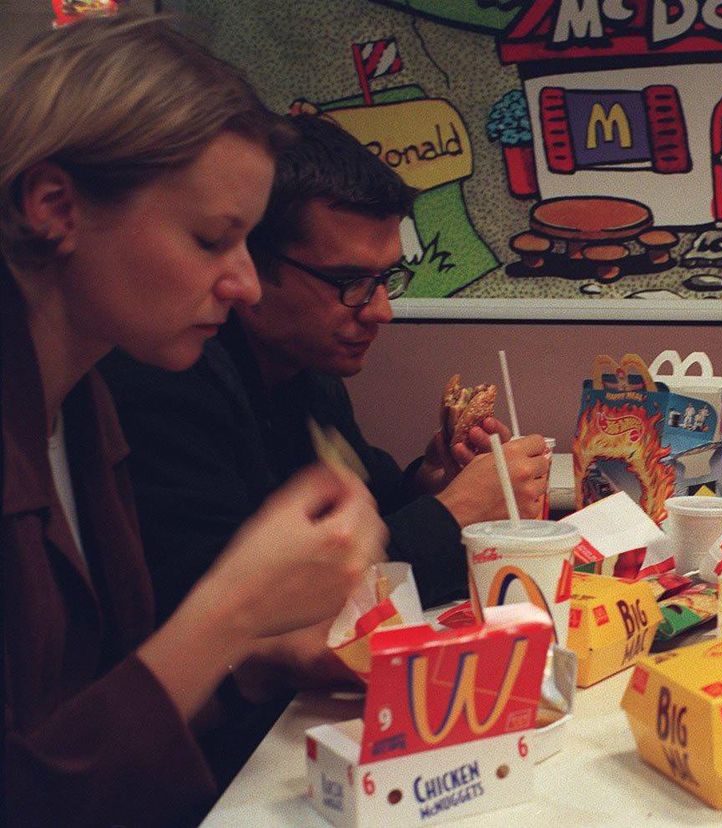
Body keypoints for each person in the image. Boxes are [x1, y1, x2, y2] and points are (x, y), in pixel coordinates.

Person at [1, 16, 388, 827]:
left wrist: (257, 663)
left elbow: (105, 711)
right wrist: (233, 608)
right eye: (214, 240)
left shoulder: (81, 406)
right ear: (53, 206)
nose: (245, 284)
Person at [101, 113, 550, 620]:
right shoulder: (167, 381)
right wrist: (456, 513)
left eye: (387, 278)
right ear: (250, 263)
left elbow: (368, 512)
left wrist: (432, 481)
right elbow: (245, 614)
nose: (381, 310)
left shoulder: (309, 372)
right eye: (349, 280)